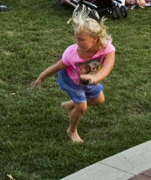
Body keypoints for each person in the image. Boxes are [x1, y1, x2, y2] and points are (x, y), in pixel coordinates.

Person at [30, 12, 116, 144]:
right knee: (82, 107)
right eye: (76, 38)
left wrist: (95, 77)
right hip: (72, 81)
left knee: (99, 100)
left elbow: (108, 66)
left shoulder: (106, 48)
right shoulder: (72, 53)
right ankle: (72, 130)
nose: (77, 42)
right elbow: (57, 66)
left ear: (95, 39)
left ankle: (69, 105)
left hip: (89, 80)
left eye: (81, 39)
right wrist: (41, 76)